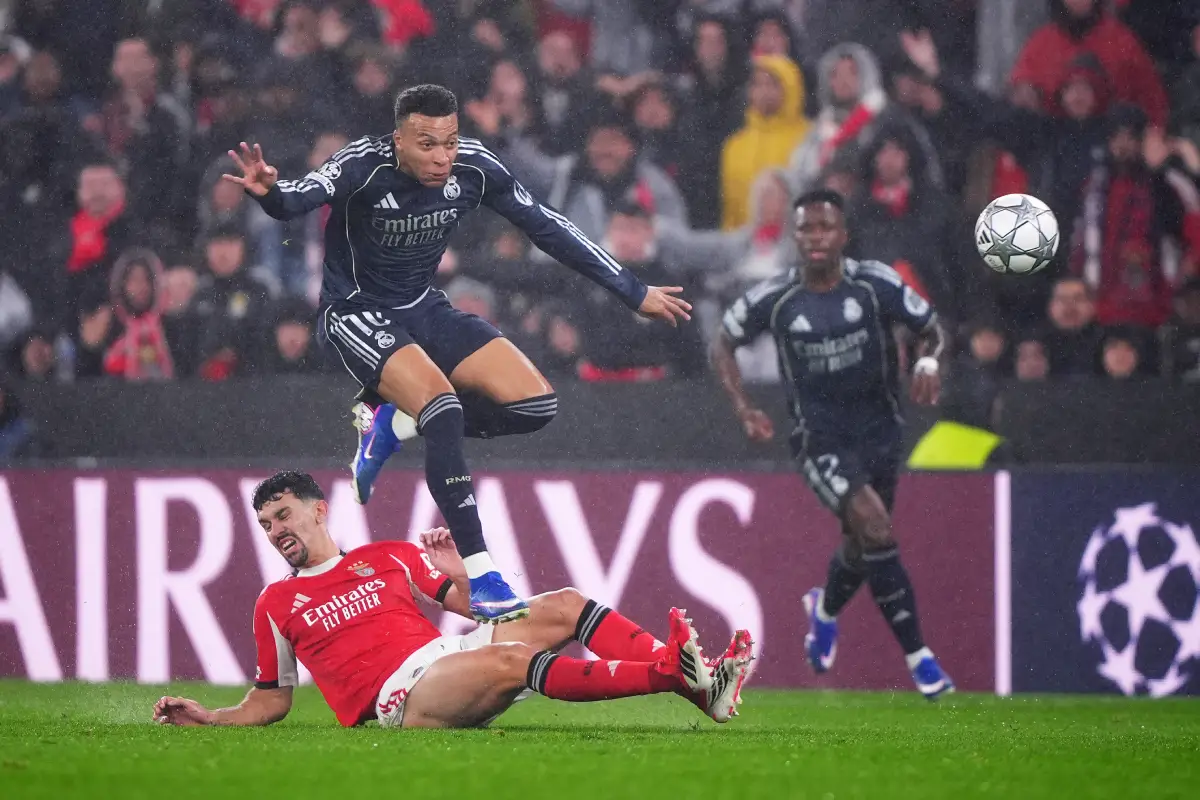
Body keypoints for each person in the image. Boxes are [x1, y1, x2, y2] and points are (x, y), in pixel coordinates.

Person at [222, 85, 691, 623]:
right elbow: (298, 197)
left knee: (535, 406)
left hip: (424, 307)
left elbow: (546, 226)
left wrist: (633, 291)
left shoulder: (474, 167)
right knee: (441, 407)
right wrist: (268, 193)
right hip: (356, 312)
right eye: (426, 144)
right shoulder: (361, 164)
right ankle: (483, 572)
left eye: (450, 142)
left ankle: (393, 424)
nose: (442, 157)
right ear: (397, 140)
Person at [151, 472, 753, 730]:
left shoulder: (387, 554)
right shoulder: (275, 602)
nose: (276, 529)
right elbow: (272, 699)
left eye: (282, 514)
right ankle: (674, 676)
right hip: (400, 697)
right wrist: (211, 716)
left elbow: (486, 610)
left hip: (447, 652)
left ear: (317, 509)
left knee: (565, 603)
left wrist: (458, 575)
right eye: (265, 524)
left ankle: (700, 686)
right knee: (510, 660)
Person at [709, 189, 954, 699]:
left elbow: (931, 329)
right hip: (819, 439)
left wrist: (929, 361)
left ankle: (824, 611)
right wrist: (743, 407)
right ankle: (921, 660)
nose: (816, 238)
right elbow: (722, 343)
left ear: (843, 235)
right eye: (807, 229)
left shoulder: (875, 284)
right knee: (877, 528)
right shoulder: (776, 298)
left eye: (826, 228)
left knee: (864, 543)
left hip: (881, 431)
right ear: (796, 236)